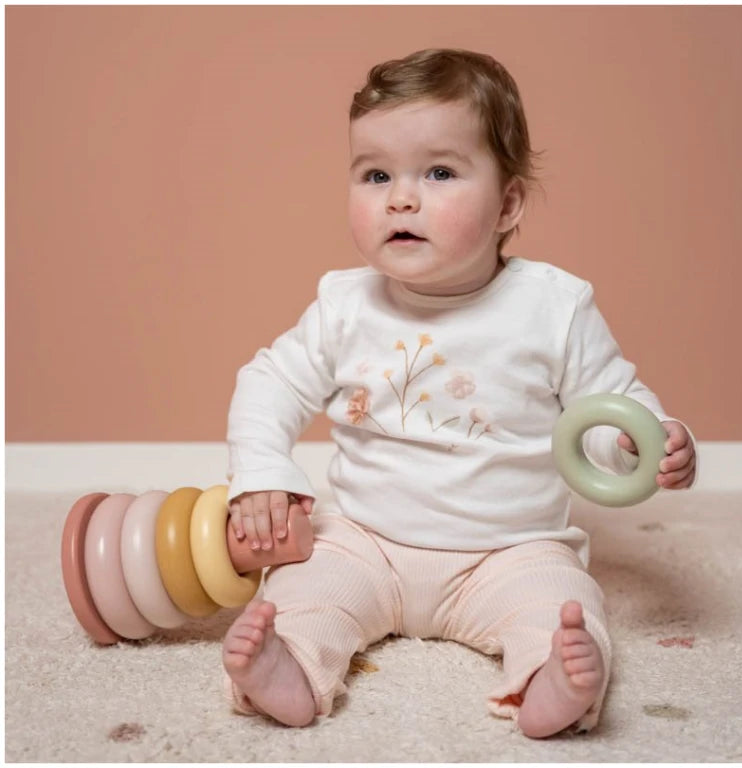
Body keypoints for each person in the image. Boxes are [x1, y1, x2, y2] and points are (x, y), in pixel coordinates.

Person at [221, 48, 697, 738]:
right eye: (375, 174)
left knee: (562, 603)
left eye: (439, 172)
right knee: (301, 591)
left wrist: (643, 442)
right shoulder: (345, 304)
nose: (401, 197)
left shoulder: (551, 307)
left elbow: (606, 410)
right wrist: (262, 473)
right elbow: (270, 383)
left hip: (504, 552)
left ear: (507, 204)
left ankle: (552, 681)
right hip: (366, 542)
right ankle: (285, 668)